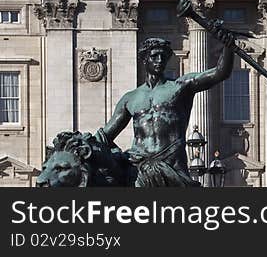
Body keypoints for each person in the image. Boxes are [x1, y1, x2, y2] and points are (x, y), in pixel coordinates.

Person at [98, 29, 235, 186]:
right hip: (139, 169)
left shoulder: (180, 87)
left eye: (163, 56)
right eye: (154, 56)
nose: (159, 60)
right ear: (144, 60)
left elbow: (220, 73)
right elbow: (105, 136)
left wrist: (228, 46)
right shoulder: (130, 98)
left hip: (172, 167)